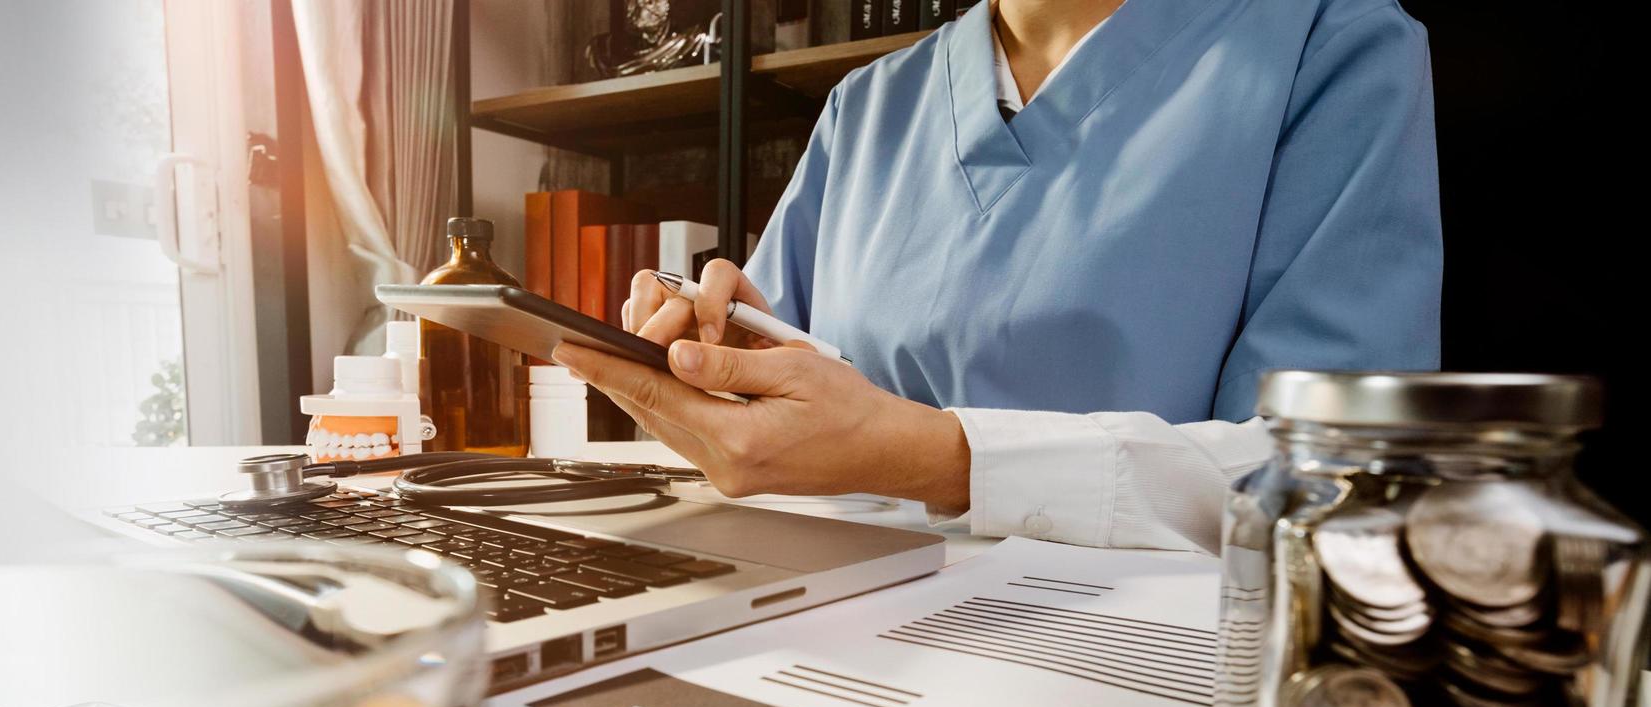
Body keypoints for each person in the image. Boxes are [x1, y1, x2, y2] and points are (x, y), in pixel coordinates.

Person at [549, 0, 1437, 553]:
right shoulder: (868, 104)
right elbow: (776, 364)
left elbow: (1334, 480)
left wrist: (944, 462)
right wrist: (710, 361)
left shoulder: (1328, 43)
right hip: (827, 607)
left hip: (1130, 659)